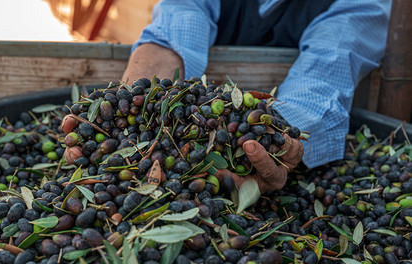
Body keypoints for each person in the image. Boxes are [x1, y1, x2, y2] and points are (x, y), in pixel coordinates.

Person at [120, 0, 392, 193]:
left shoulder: (362, 3)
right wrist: (137, 102)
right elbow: (176, 26)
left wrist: (271, 140)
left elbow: (324, 75)